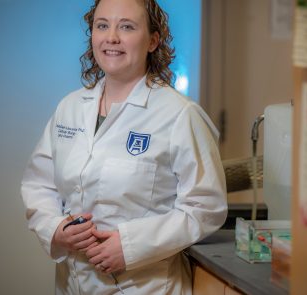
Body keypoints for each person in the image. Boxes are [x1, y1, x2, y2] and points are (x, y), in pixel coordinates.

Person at [20, 0, 227, 294]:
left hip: (145, 286)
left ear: (153, 41)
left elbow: (205, 207)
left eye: (127, 27)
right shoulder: (70, 108)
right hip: (72, 284)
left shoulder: (179, 115)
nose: (111, 37)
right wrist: (55, 229)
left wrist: (130, 246)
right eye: (102, 25)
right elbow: (39, 184)